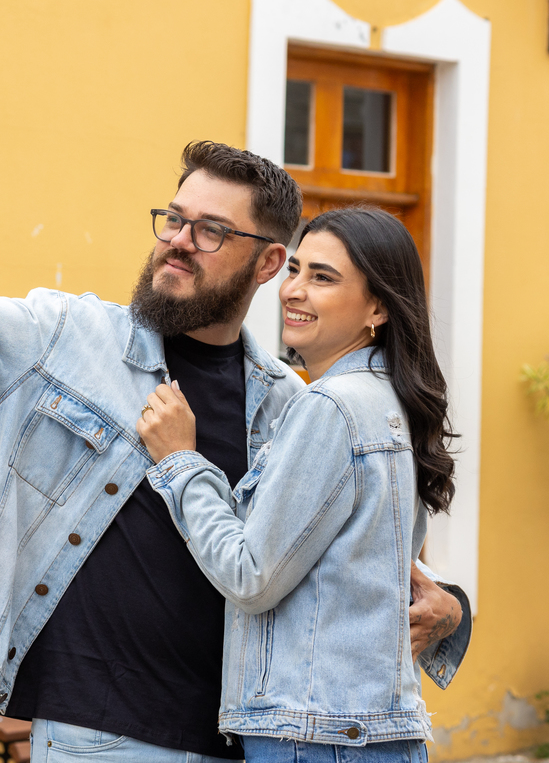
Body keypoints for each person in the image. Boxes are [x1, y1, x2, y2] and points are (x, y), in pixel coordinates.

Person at [0, 126, 470, 762]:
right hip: (99, 736)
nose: (178, 242)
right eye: (173, 219)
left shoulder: (288, 404)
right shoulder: (62, 341)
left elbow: (341, 554)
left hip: (241, 738)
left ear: (268, 263)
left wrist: (452, 607)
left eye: (210, 231)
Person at [137, 207, 460, 763]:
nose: (294, 290)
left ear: (378, 308)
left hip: (315, 735)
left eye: (323, 277)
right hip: (360, 730)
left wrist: (180, 462)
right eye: (295, 270)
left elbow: (252, 576)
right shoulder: (388, 401)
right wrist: (453, 606)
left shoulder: (331, 406)